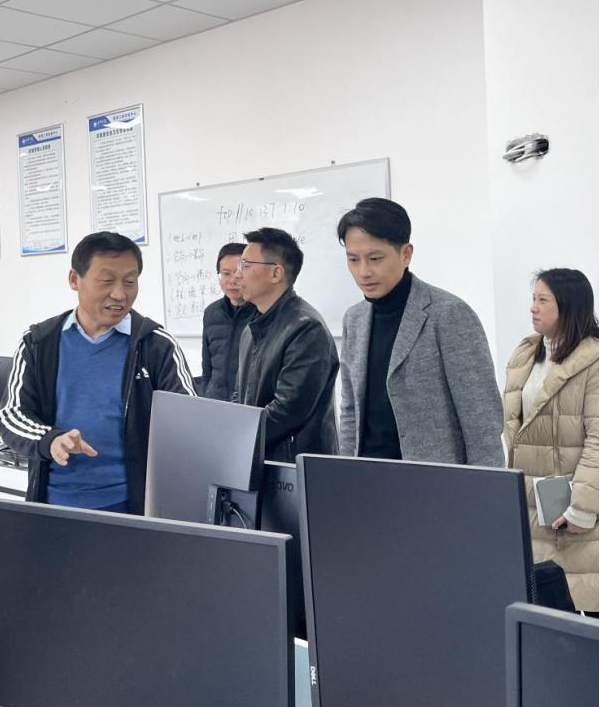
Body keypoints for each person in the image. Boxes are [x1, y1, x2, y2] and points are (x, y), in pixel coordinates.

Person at [0, 232, 196, 515]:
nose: (120, 294)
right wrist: (51, 440)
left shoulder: (156, 345)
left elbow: (190, 421)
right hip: (54, 504)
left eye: (130, 282)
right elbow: (12, 415)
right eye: (106, 281)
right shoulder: (39, 343)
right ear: (74, 279)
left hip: (134, 509)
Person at [338, 197, 504, 466]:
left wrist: (486, 486)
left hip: (434, 481)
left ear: (406, 254)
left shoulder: (448, 314)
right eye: (353, 260)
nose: (363, 271)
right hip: (366, 478)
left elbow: (481, 419)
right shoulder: (354, 319)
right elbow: (350, 411)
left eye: (375, 258)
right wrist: (344, 472)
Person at [504, 269, 599, 615]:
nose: (533, 307)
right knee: (546, 614)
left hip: (575, 508)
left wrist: (583, 508)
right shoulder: (526, 354)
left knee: (585, 605)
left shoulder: (594, 360)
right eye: (533, 299)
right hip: (533, 508)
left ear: (568, 306)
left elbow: (598, 440)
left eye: (543, 300)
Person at [234, 227, 339, 462]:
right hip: (260, 459)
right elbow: (240, 394)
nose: (237, 275)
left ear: (276, 273)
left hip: (295, 466)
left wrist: (235, 434)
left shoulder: (306, 328)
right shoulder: (252, 329)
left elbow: (288, 411)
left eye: (245, 266)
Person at [197, 243, 256, 400]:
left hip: (248, 404)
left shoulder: (262, 313)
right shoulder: (211, 312)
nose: (232, 281)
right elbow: (207, 367)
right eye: (226, 274)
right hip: (215, 403)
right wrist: (205, 395)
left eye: (238, 273)